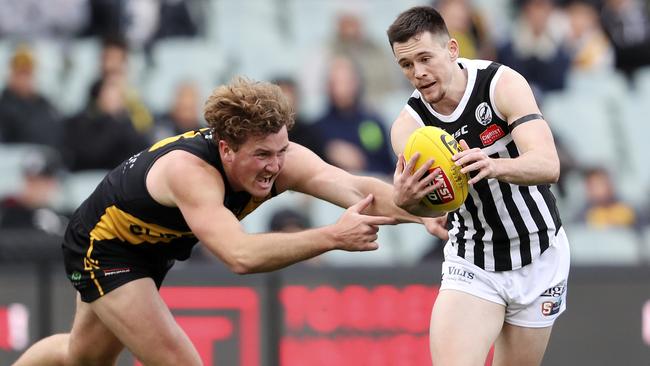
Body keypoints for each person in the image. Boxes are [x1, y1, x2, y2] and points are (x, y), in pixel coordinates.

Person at [13, 77, 439, 366]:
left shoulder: (280, 157)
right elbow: (239, 256)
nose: (275, 166)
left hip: (154, 246)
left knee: (80, 358)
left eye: (281, 150)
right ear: (226, 148)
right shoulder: (190, 174)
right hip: (106, 249)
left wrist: (431, 215)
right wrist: (330, 236)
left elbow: (355, 188)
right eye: (262, 155)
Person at [386, 6, 570, 365]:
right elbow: (427, 205)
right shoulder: (408, 129)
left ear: (452, 49)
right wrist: (411, 204)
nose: (418, 73)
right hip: (474, 261)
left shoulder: (501, 84)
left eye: (425, 58)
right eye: (407, 65)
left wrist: (492, 164)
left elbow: (549, 164)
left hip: (540, 252)